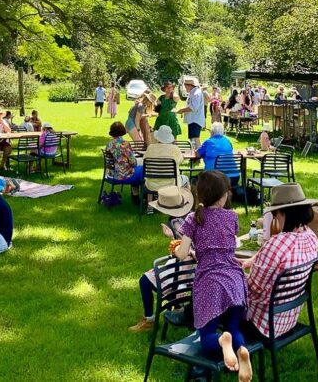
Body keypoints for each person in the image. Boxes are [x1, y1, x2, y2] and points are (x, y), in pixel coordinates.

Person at [174, 171, 250, 380]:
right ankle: (241, 349)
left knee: (206, 335)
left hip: (210, 282)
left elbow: (182, 253)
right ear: (223, 196)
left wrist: (178, 251)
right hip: (234, 280)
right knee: (233, 327)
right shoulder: (232, 217)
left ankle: (220, 342)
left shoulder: (193, 218)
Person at [243, 184, 318, 339]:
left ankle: (207, 351)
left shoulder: (276, 244)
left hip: (261, 324)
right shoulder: (311, 236)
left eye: (276, 215)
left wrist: (236, 274)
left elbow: (253, 288)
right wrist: (254, 259)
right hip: (288, 319)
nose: (275, 219)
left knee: (217, 295)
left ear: (284, 214)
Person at [129, 185, 195, 332]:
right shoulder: (193, 216)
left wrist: (171, 236)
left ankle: (150, 319)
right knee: (164, 274)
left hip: (187, 267)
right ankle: (177, 308)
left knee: (145, 280)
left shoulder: (177, 221)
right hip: (193, 266)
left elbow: (185, 249)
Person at [104, 121, 143, 200]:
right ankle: (140, 197)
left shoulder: (109, 144)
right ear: (122, 131)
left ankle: (135, 195)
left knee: (137, 171)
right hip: (123, 175)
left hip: (110, 174)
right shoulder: (124, 144)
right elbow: (133, 162)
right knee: (143, 170)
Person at [182, 76, 206, 150]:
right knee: (193, 138)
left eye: (185, 86)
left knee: (195, 138)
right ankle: (194, 154)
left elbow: (193, 107)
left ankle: (197, 155)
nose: (185, 88)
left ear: (189, 85)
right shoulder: (193, 92)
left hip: (195, 119)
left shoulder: (196, 93)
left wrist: (182, 110)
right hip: (193, 119)